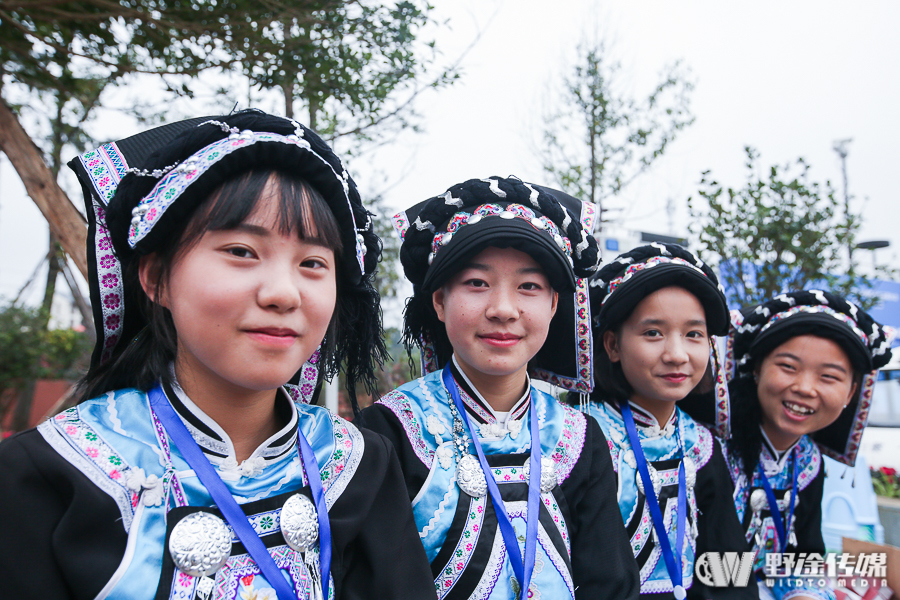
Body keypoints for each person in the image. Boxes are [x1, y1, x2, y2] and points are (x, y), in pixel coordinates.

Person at [0, 110, 434, 599]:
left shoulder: (358, 464)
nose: (283, 293)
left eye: (313, 262)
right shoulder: (46, 475)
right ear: (155, 278)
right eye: (242, 251)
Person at [355, 176, 640, 600]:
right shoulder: (388, 431)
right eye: (476, 283)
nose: (503, 310)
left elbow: (611, 585)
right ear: (438, 300)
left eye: (529, 286)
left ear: (554, 304)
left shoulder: (580, 438)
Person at [585, 243, 756, 600]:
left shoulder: (703, 447)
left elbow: (728, 562)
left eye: (693, 335)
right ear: (613, 345)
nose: (677, 354)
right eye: (653, 333)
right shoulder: (582, 439)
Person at [724, 290, 893, 600]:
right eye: (788, 367)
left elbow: (805, 558)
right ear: (757, 368)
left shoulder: (808, 461)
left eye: (828, 376)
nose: (804, 388)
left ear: (851, 392)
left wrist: (803, 593)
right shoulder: (710, 451)